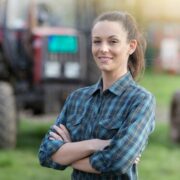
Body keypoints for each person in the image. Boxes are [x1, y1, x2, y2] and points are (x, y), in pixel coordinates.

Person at [38, 11, 155, 180]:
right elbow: (45, 154)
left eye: (113, 41)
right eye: (97, 41)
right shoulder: (77, 98)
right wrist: (94, 145)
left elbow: (116, 162)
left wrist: (68, 153)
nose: (103, 49)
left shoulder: (141, 101)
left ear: (131, 46)